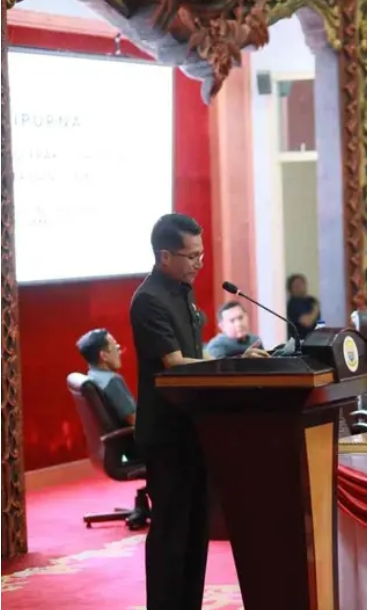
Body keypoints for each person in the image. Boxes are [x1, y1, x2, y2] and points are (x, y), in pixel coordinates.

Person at [129, 213, 268, 610]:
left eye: (201, 254)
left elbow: (197, 356)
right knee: (171, 533)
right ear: (164, 256)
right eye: (191, 256)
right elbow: (175, 363)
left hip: (195, 426)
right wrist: (234, 364)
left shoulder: (182, 292)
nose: (199, 263)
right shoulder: (149, 300)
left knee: (194, 533)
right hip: (166, 432)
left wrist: (235, 362)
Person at [76, 328, 136, 427]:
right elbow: (136, 421)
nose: (120, 352)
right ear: (104, 356)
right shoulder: (112, 381)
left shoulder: (92, 376)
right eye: (116, 348)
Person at [286, 273, 321, 340]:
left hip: (318, 337)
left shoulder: (311, 300)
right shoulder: (293, 303)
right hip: (302, 341)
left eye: (301, 284)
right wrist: (316, 308)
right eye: (296, 285)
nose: (299, 287)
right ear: (290, 288)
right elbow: (307, 322)